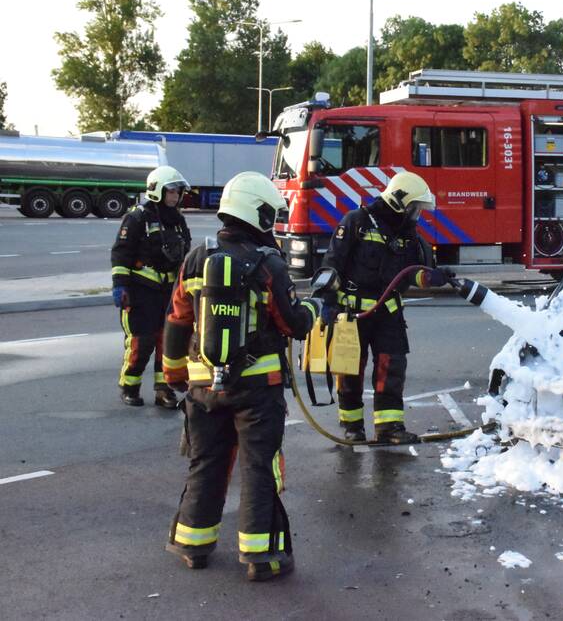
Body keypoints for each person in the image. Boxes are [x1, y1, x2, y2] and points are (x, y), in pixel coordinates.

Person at [162, 172, 322, 582]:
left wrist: (174, 374)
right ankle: (261, 558)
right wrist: (315, 308)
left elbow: (177, 319)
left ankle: (193, 545)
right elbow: (293, 324)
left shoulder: (196, 258)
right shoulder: (268, 264)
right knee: (258, 468)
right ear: (258, 213)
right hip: (256, 390)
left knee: (206, 463)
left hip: (202, 388)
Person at [321, 171, 452, 444]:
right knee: (349, 372)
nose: (417, 214)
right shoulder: (356, 222)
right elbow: (331, 266)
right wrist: (328, 304)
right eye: (415, 207)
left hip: (389, 314)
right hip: (352, 314)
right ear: (399, 202)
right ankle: (352, 427)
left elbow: (411, 273)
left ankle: (389, 428)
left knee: (391, 369)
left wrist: (432, 277)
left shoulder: (408, 235)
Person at [111, 165, 191, 408]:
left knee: (167, 343)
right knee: (141, 342)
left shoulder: (177, 220)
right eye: (171, 192)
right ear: (157, 191)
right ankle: (130, 386)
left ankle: (163, 390)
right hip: (141, 292)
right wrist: (120, 285)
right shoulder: (137, 218)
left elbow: (184, 253)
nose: (175, 197)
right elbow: (121, 253)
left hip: (168, 293)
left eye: (177, 192)